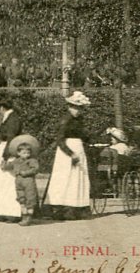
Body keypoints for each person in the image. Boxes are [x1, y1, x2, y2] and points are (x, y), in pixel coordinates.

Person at [45, 91, 91, 220]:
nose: (77, 110)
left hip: (78, 149)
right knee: (64, 178)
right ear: (69, 106)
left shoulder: (79, 120)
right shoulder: (65, 120)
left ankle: (77, 207)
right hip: (66, 153)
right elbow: (60, 140)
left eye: (80, 108)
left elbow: (83, 135)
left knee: (77, 178)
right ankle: (61, 209)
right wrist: (70, 153)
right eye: (75, 107)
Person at [0, 96, 22, 221]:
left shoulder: (12, 118)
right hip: (6, 147)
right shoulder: (9, 117)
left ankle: (13, 212)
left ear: (1, 108)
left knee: (9, 181)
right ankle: (4, 211)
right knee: (3, 181)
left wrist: (5, 156)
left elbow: (11, 138)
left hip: (10, 149)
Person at [2, 134, 40, 226]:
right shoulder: (16, 161)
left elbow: (35, 169)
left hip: (28, 181)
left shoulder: (32, 161)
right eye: (24, 153)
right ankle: (24, 216)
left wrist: (25, 173)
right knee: (21, 199)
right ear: (18, 153)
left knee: (30, 198)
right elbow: (9, 166)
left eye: (28, 153)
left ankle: (29, 217)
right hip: (19, 182)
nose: (26, 154)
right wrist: (4, 165)